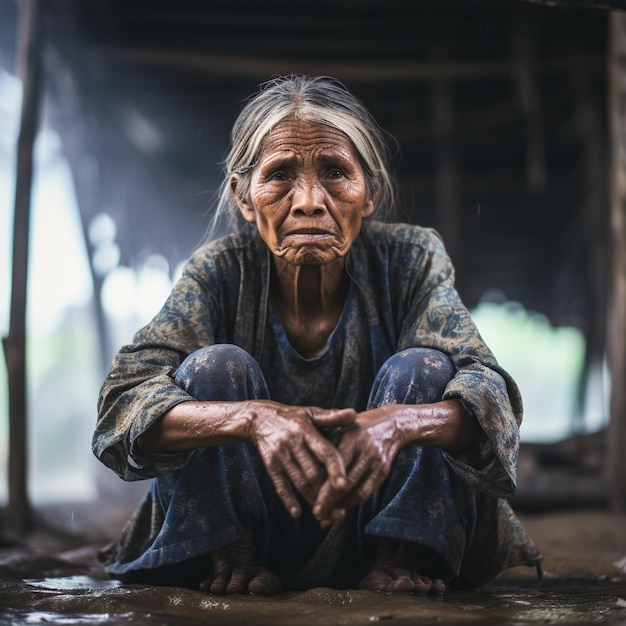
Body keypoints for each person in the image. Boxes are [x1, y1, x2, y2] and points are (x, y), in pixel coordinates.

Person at [94, 74, 542, 595]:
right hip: (256, 535)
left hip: (373, 527)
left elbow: (492, 398)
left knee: (424, 368)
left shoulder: (411, 258)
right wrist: (250, 418)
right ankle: (228, 558)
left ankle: (398, 557)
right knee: (214, 368)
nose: (308, 200)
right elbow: (122, 404)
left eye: (335, 172)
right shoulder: (218, 272)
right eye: (280, 174)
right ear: (243, 197)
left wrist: (398, 424)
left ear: (369, 193)